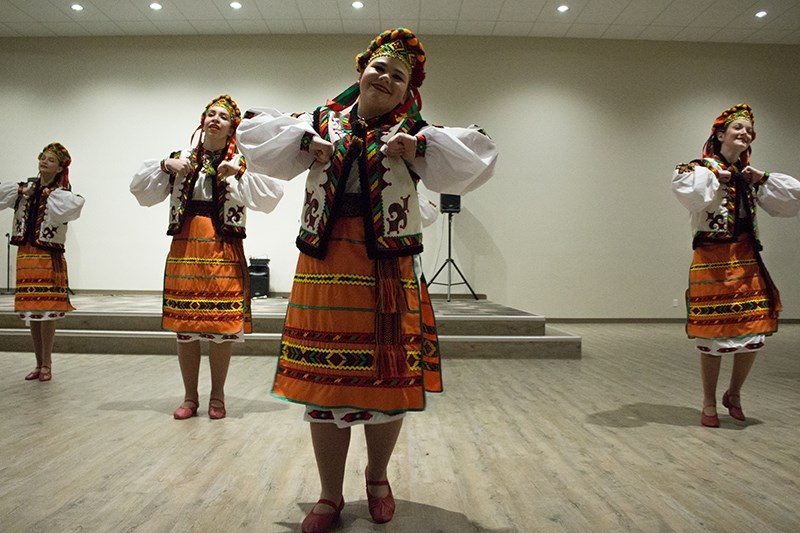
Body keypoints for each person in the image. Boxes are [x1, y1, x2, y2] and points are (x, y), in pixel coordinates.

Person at [238, 28, 497, 532]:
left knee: (386, 376)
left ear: (407, 92)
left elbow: (478, 155)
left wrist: (416, 147)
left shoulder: (416, 131)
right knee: (322, 379)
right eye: (379, 67)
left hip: (386, 268)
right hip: (326, 264)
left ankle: (377, 478)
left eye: (397, 76)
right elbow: (255, 138)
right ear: (360, 71)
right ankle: (329, 497)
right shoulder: (319, 122)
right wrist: (306, 143)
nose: (385, 77)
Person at [130, 95, 283, 420]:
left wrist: (238, 171)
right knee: (185, 328)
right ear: (203, 122)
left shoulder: (241, 162)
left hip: (223, 247)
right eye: (211, 114)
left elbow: (271, 198)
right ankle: (190, 398)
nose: (215, 119)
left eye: (223, 116)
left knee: (220, 326)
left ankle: (217, 396)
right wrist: (164, 165)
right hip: (187, 247)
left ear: (232, 127)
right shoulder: (181, 159)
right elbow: (141, 191)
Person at [672, 103, 800, 428]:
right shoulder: (700, 169)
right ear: (720, 134)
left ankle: (735, 393)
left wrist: (762, 178)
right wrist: (717, 173)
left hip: (746, 258)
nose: (744, 133)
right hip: (713, 260)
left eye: (748, 130)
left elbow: (791, 200)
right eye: (737, 128)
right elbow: (690, 194)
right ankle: (708, 400)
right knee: (713, 333)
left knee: (754, 325)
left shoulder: (749, 176)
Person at [0, 143, 84, 382]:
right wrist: (19, 191)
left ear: (59, 168)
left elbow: (73, 207)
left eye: (50, 160)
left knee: (46, 312)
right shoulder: (25, 189)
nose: (44, 162)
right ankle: (38, 363)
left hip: (47, 256)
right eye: (43, 158)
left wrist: (50, 194)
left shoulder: (62, 193)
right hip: (26, 255)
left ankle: (47, 363)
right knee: (32, 313)